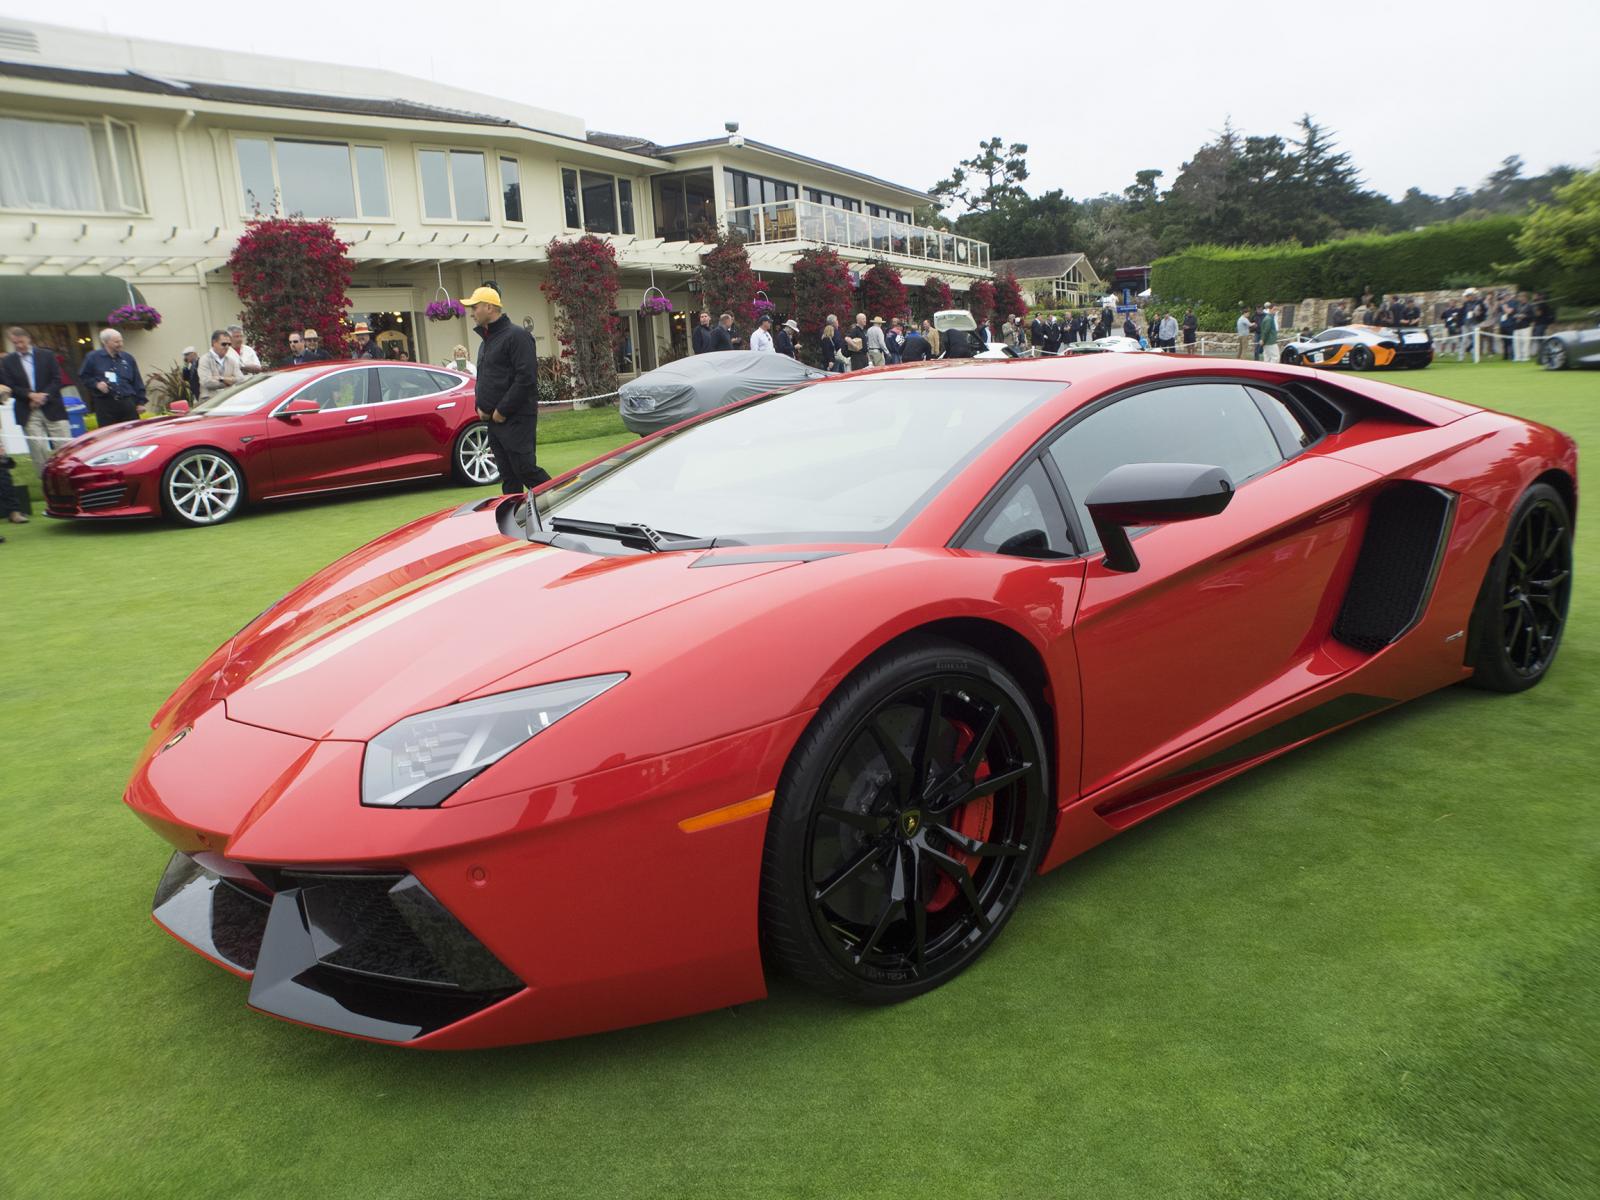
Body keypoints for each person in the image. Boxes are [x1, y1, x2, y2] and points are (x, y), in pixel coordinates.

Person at [468, 285, 546, 496]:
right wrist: (480, 406)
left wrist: (501, 411)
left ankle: (567, 505)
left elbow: (526, 378)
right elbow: (484, 378)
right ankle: (514, 525)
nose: (472, 312)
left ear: (489, 307)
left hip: (516, 419)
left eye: (475, 307)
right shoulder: (486, 342)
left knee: (527, 471)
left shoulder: (517, 336)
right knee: (509, 478)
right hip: (495, 423)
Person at [2, 326, 69, 477]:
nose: (19, 345)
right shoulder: (8, 361)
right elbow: (10, 385)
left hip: (53, 407)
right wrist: (30, 395)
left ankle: (66, 478)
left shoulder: (46, 355)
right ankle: (46, 482)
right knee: (37, 449)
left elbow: (57, 379)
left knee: (63, 447)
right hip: (28, 410)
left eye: (21, 342)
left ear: (28, 338)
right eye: (15, 343)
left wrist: (43, 396)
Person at [78, 328, 146, 426]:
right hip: (106, 404)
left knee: (132, 432)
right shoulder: (93, 357)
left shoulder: (127, 358)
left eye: (121, 341)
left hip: (127, 402)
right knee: (109, 434)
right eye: (116, 342)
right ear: (106, 342)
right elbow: (83, 376)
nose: (120, 344)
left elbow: (137, 380)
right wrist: (96, 384)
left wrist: (140, 402)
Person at [197, 329, 238, 399]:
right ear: (214, 343)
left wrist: (220, 378)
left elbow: (239, 379)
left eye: (229, 344)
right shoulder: (204, 359)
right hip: (210, 402)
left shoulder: (231, 360)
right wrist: (229, 381)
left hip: (229, 400)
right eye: (224, 344)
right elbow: (207, 383)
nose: (227, 347)